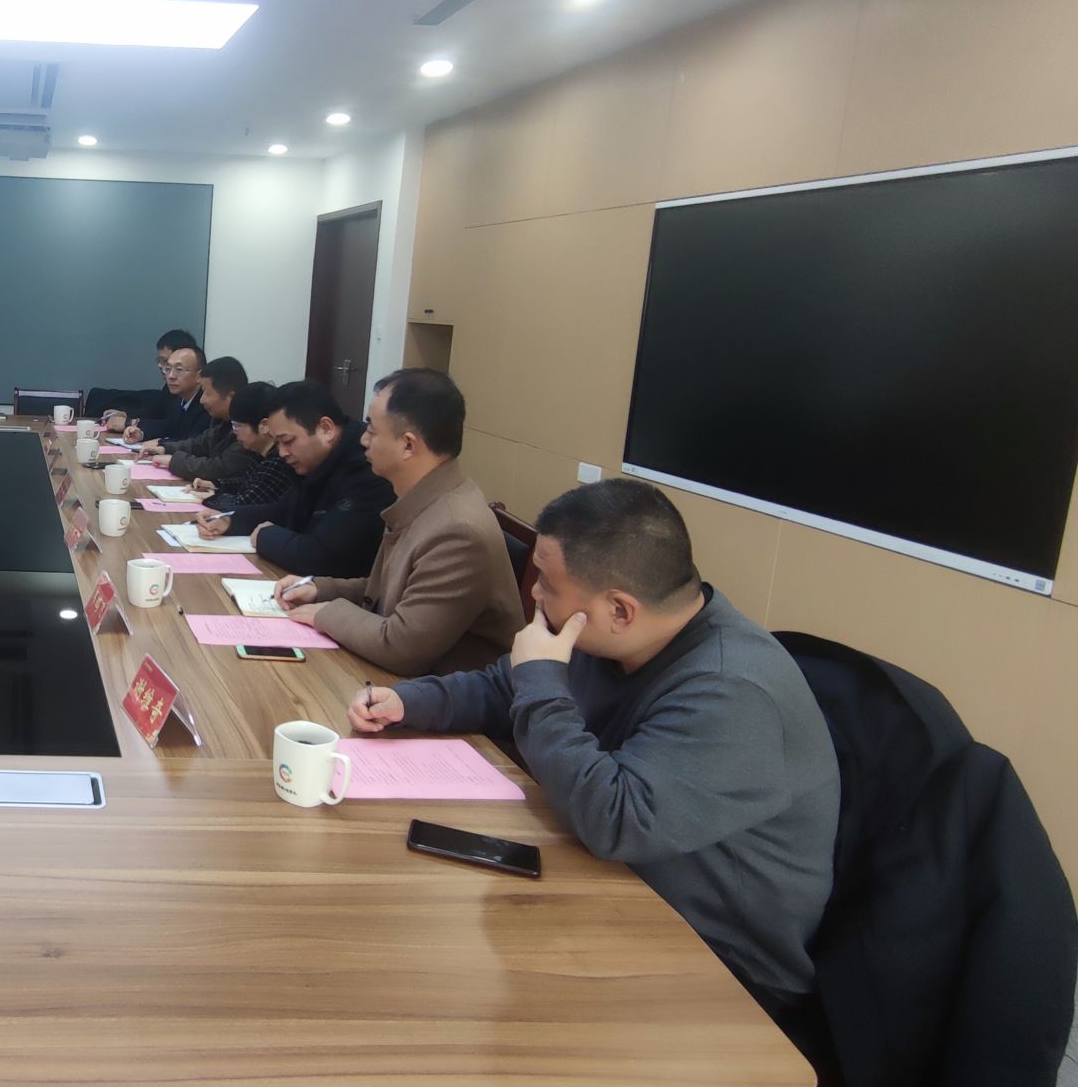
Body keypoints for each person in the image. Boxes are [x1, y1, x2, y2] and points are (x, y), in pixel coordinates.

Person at [347, 478, 838, 1004]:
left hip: (715, 964)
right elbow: (506, 687)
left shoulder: (732, 692)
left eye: (547, 584)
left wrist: (541, 680)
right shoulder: (611, 635)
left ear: (620, 610)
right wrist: (410, 701)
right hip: (612, 884)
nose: (534, 594)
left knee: (443, 982)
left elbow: (616, 819)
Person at [275, 369, 523, 675]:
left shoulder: (457, 530)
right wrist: (318, 588)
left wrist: (326, 614)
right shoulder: (423, 499)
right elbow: (384, 592)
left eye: (372, 430)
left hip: (439, 692)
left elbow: (402, 646)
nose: (363, 439)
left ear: (408, 445)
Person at [197, 379, 391, 576]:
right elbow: (286, 510)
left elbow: (324, 556)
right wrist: (229, 519)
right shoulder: (315, 461)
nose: (282, 453)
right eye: (277, 443)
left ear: (326, 429)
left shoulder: (367, 469)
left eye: (288, 441)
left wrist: (265, 537)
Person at [131, 355, 254, 485]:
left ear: (230, 397)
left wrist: (173, 461)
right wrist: (164, 449)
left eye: (207, 393)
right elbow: (199, 444)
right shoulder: (222, 420)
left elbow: (219, 469)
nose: (202, 400)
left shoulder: (248, 428)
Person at [193, 381, 296, 512]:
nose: (234, 432)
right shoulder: (261, 455)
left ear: (264, 426)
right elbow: (246, 482)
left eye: (237, 426)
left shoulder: (277, 462)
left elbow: (245, 504)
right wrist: (215, 485)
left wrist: (213, 497)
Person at [85, 327, 200, 422]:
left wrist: (128, 423)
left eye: (165, 361)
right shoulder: (169, 388)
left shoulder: (200, 402)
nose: (160, 366)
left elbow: (169, 428)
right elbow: (154, 413)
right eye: (159, 361)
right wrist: (124, 415)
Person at [110, 343, 208, 443]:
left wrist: (162, 444)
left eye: (179, 369)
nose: (171, 376)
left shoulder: (206, 404)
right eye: (168, 369)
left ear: (199, 376)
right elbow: (168, 428)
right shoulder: (180, 400)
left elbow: (193, 444)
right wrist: (141, 434)